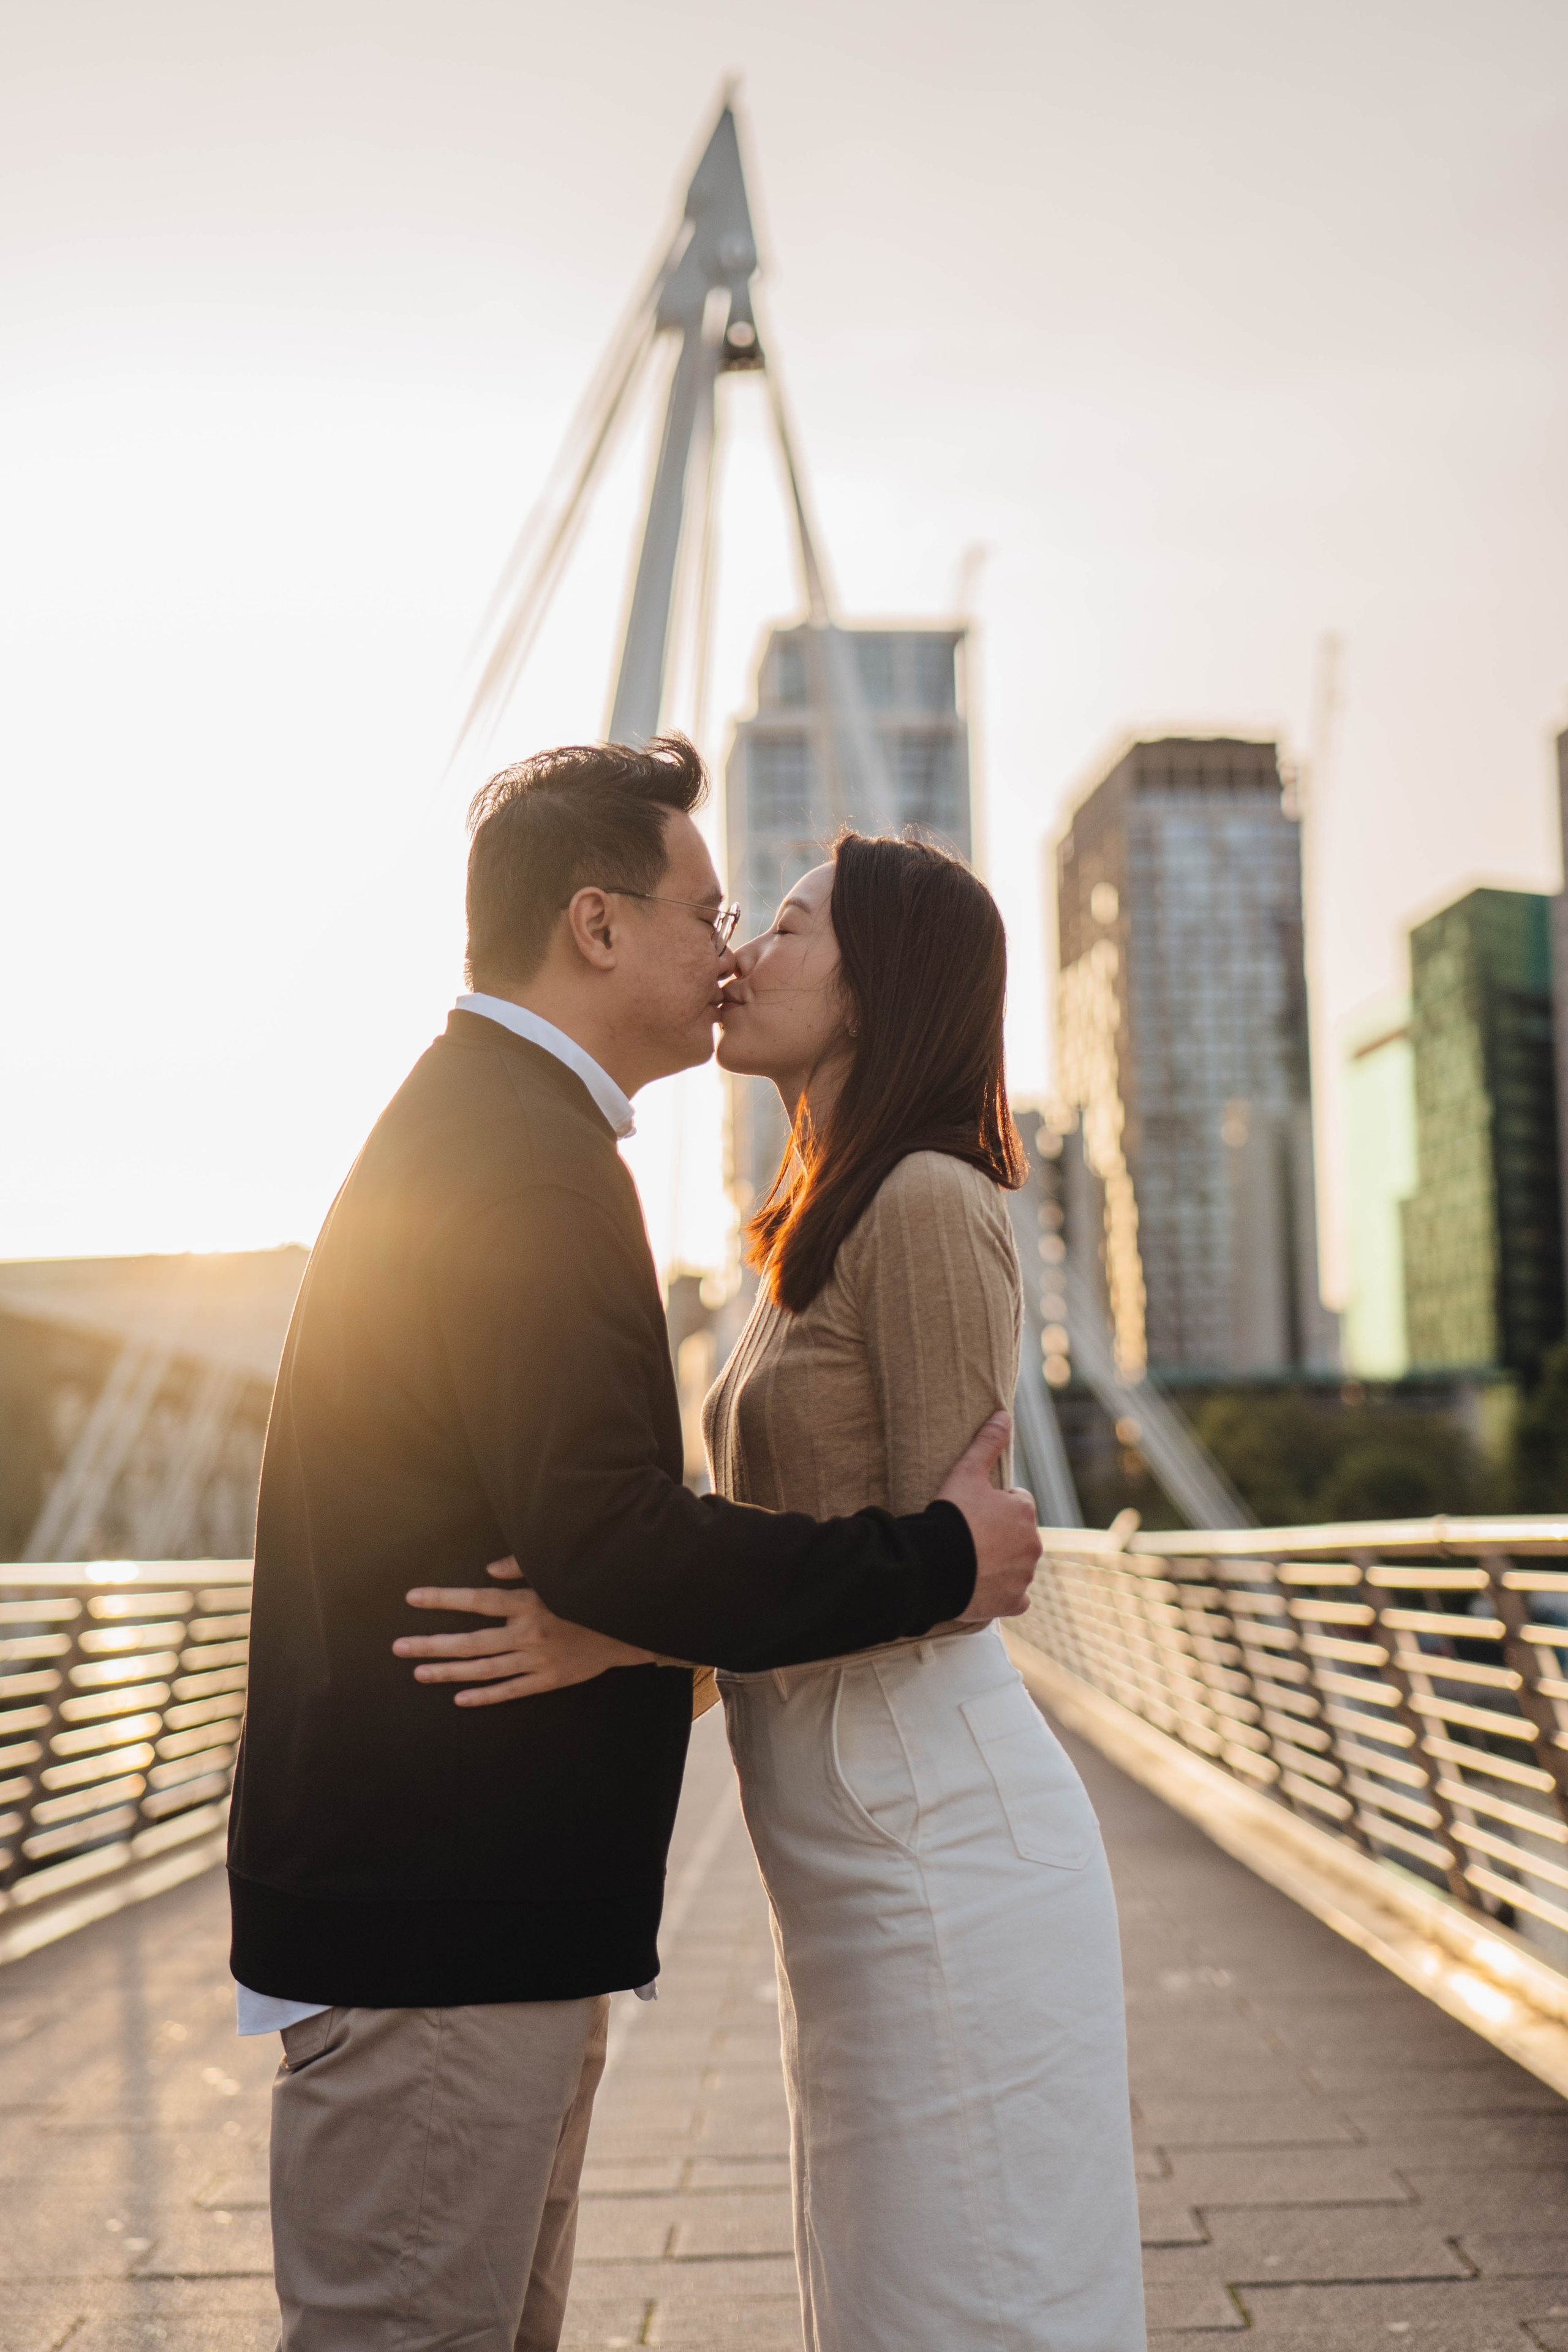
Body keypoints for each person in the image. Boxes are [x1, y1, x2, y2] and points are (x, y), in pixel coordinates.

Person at [227, 737, 1042, 2352]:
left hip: (473, 1914)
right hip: (441, 1922)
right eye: (707, 906)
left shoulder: (505, 1129)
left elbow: (585, 1540)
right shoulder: (524, 1158)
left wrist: (629, 1624)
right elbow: (603, 1534)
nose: (726, 946)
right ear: (597, 928)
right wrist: (942, 1561)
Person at [407, 832, 1147, 2351]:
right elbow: (800, 1556)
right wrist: (629, 1637)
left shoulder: (931, 1203)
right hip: (848, 1858)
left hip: (938, 1841)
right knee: (884, 2298)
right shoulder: (815, 1228)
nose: (743, 950)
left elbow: (953, 1566)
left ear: (881, 989)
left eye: (789, 927)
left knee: (978, 2302)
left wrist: (599, 1628)